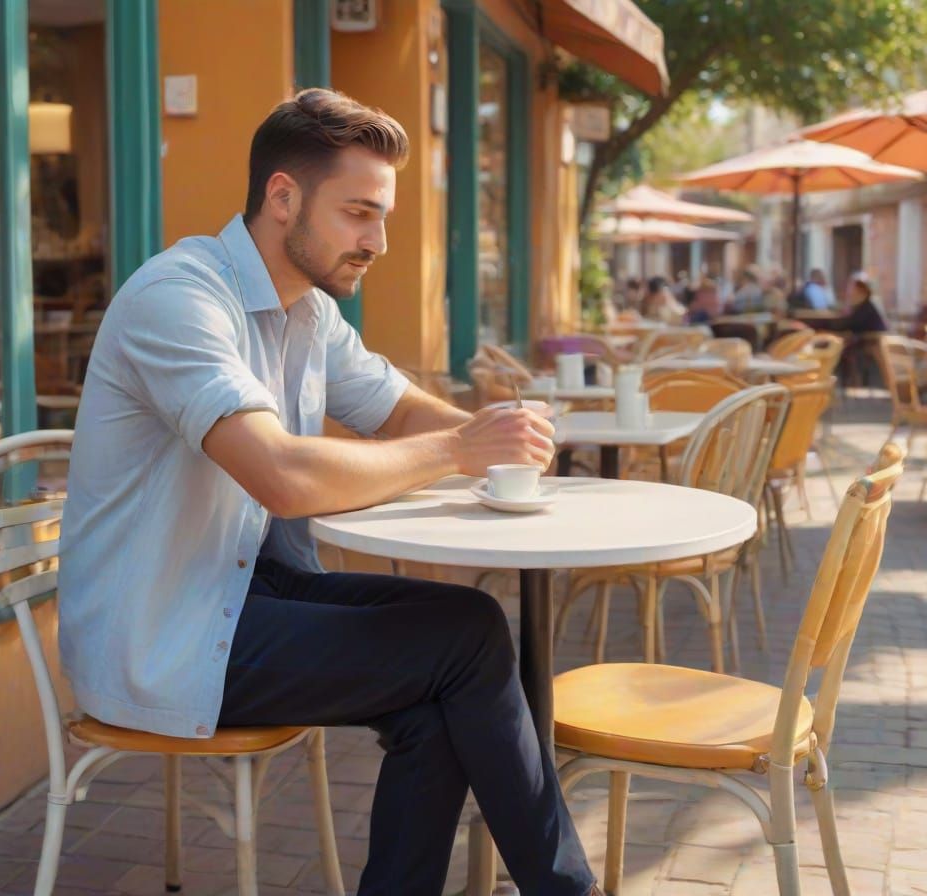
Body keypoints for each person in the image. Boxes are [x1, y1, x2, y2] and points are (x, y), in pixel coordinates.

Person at [58, 89, 601, 896]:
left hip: (247, 593)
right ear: (283, 198)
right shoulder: (178, 300)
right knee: (463, 644)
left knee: (458, 654)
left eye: (380, 217)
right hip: (161, 628)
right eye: (358, 213)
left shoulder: (307, 311)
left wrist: (496, 445)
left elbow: (394, 406)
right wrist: (459, 447)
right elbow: (281, 476)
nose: (377, 241)